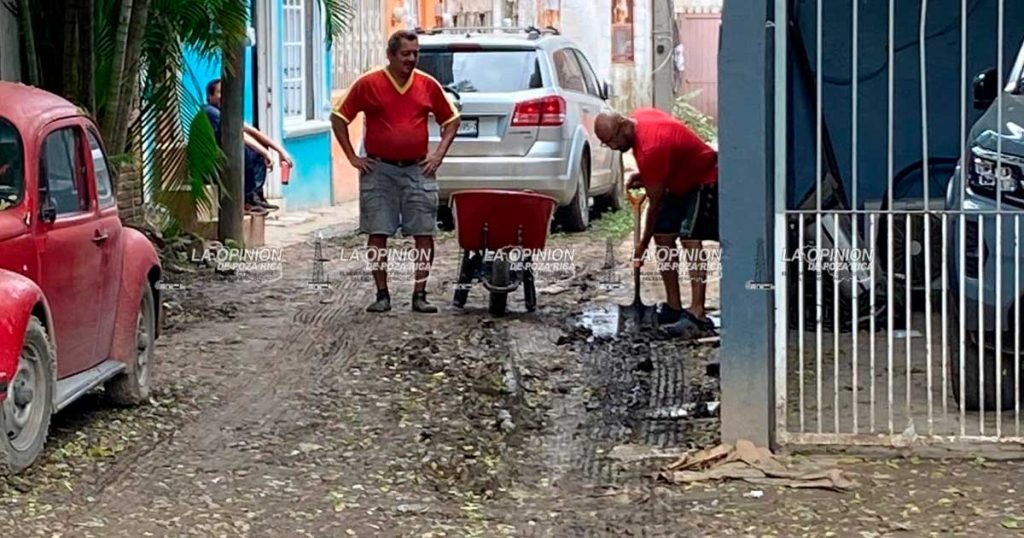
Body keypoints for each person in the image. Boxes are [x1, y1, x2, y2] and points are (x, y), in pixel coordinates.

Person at [330, 29, 461, 314]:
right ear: (390, 55)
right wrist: (353, 156)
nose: (412, 59)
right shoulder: (369, 83)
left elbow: (451, 120)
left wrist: (438, 155)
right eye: (405, 54)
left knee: (424, 232)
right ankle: (382, 294)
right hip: (379, 169)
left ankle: (420, 294)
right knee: (378, 232)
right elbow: (339, 117)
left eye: (415, 54)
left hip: (417, 168)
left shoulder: (428, 85)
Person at [595, 108, 719, 337]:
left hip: (704, 176)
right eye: (605, 143)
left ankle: (698, 313)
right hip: (677, 179)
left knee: (690, 239)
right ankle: (673, 306)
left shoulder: (652, 147)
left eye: (611, 140)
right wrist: (648, 177)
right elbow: (670, 154)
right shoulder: (640, 118)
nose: (611, 147)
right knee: (663, 238)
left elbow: (655, 206)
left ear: (623, 125)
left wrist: (641, 245)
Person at [203, 79, 294, 216]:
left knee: (257, 148)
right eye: (220, 92)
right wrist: (265, 153)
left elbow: (252, 131)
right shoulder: (210, 112)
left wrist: (280, 151)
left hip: (223, 159)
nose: (224, 96)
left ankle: (254, 196)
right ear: (210, 96)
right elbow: (239, 135)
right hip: (211, 165)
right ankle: (246, 199)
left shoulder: (225, 112)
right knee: (245, 150)